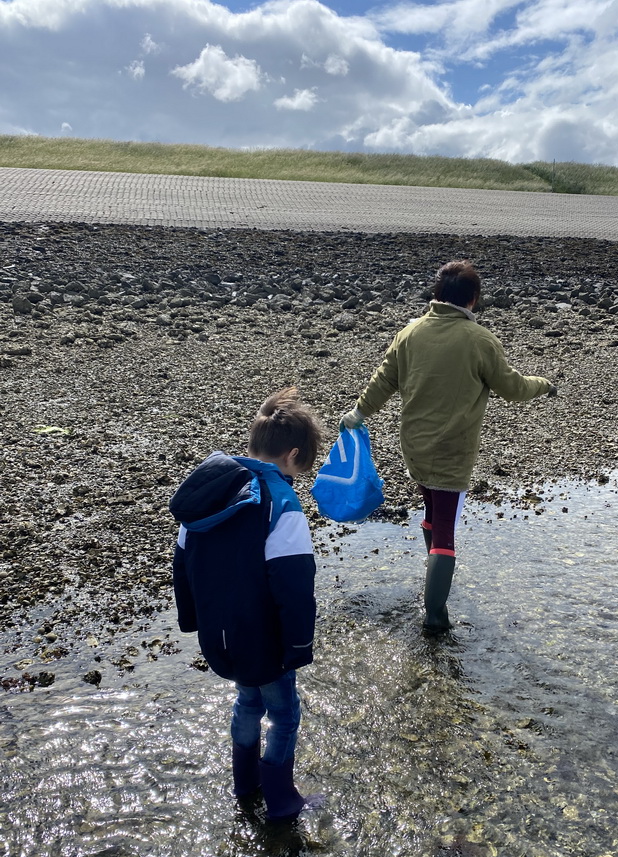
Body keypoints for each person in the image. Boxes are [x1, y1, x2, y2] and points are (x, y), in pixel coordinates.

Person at [341, 260, 557, 633]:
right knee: (445, 532)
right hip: (452, 452)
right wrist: (544, 383)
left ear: (437, 294)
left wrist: (358, 412)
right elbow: (513, 388)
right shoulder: (480, 340)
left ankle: (432, 574)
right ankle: (435, 617)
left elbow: (382, 381)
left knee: (431, 508)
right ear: (473, 299)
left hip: (414, 446)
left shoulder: (409, 333)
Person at [170, 387, 324, 820]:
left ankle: (244, 783)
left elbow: (182, 562)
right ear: (292, 455)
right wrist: (297, 646)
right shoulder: (282, 503)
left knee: (246, 701)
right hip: (265, 640)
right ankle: (281, 800)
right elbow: (293, 584)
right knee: (284, 714)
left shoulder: (208, 490)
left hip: (219, 633)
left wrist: (191, 620)